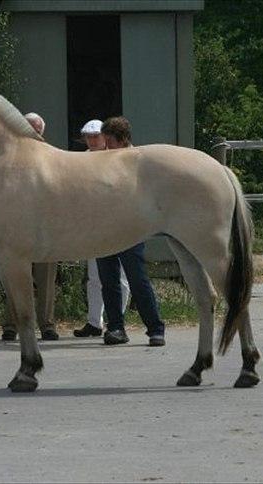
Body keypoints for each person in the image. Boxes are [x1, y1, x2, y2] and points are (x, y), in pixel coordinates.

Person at [95, 116, 166, 346]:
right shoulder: (103, 159)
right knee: (109, 281)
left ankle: (155, 328)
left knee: (137, 280)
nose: (106, 146)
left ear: (123, 139)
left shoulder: (138, 161)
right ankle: (116, 327)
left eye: (109, 141)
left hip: (130, 228)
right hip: (105, 228)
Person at [0, 113, 59, 342]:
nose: (31, 131)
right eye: (27, 127)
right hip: (17, 227)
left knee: (46, 281)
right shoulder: (9, 157)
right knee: (15, 277)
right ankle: (10, 324)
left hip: (46, 228)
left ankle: (47, 325)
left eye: (35, 129)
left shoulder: (51, 155)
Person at [73, 119, 131, 338]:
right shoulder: (81, 160)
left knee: (120, 276)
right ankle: (94, 322)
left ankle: (116, 320)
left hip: (118, 223)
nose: (92, 140)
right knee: (94, 277)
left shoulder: (117, 157)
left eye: (96, 136)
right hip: (93, 224)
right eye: (88, 137)